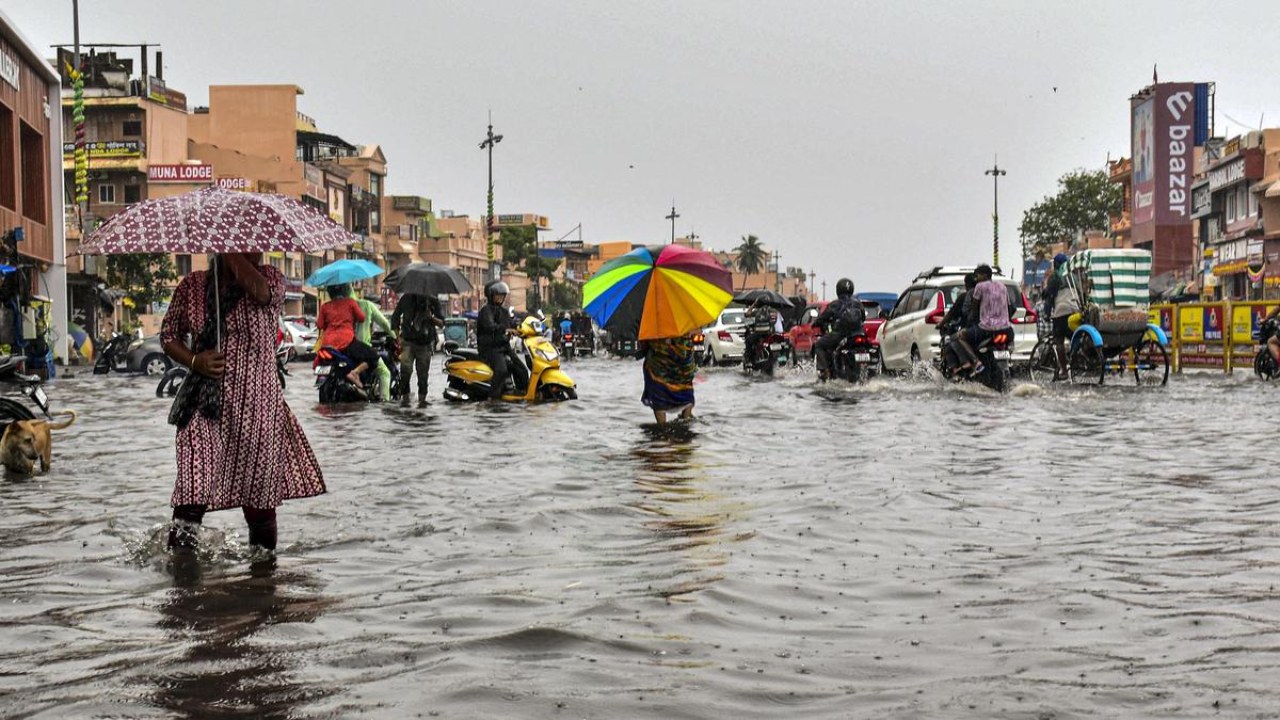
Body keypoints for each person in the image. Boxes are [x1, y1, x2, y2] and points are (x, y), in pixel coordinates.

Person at [160, 253, 325, 554]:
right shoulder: (192, 286)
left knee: (259, 504)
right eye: (246, 244)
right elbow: (169, 335)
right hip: (205, 404)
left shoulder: (271, 279)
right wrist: (195, 361)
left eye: (254, 245)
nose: (256, 251)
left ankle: (262, 579)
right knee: (191, 490)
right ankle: (181, 581)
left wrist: (231, 254)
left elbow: (260, 293)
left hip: (258, 407)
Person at [316, 284, 381, 392]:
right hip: (346, 341)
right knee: (373, 355)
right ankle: (355, 373)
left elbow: (319, 325)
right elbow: (361, 318)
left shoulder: (325, 306)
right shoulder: (350, 302)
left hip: (328, 344)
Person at [956, 264, 1013, 375]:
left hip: (987, 329)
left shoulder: (979, 287)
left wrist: (967, 326)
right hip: (1007, 330)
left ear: (985, 275)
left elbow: (973, 310)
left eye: (977, 275)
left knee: (961, 336)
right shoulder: (1003, 286)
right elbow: (1010, 307)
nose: (976, 279)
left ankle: (976, 362)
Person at [476, 281, 528, 401]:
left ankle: (523, 394)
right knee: (501, 370)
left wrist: (522, 329)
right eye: (498, 295)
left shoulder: (504, 311)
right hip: (490, 348)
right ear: (490, 295)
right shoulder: (485, 311)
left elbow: (512, 323)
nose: (501, 297)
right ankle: (493, 398)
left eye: (502, 295)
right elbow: (490, 325)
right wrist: (506, 329)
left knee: (522, 369)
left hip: (504, 347)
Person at [390, 293, 444, 407]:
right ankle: (405, 399)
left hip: (425, 344)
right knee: (405, 370)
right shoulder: (406, 298)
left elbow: (442, 323)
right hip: (408, 342)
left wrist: (431, 318)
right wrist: (398, 337)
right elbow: (395, 318)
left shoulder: (433, 300)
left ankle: (422, 401)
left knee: (423, 375)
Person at [811, 278, 865, 381]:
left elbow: (823, 317)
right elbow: (863, 318)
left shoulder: (836, 304)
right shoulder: (858, 303)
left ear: (838, 290)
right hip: (857, 334)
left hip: (840, 334)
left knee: (819, 345)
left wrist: (815, 323)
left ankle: (824, 371)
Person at [640, 334, 696, 423]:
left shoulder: (653, 329)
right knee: (686, 394)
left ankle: (662, 427)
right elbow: (687, 351)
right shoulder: (683, 328)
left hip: (659, 372)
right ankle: (686, 419)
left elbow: (643, 348)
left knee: (659, 398)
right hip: (681, 372)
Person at [1041, 253, 1080, 380]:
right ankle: (1077, 361)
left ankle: (1064, 370)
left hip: (1061, 312)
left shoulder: (1055, 277)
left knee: (1059, 341)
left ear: (1055, 264)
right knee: (1075, 338)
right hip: (1076, 311)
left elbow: (1049, 297)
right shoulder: (1074, 276)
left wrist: (1047, 314)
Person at [354, 295, 396, 402]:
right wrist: (395, 337)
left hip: (343, 347)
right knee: (384, 373)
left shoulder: (343, 305)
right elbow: (384, 323)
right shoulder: (367, 305)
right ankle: (384, 401)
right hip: (362, 347)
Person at [939, 273, 977, 371]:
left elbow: (951, 314)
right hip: (990, 329)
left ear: (966, 284)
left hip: (972, 330)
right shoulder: (987, 295)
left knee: (951, 341)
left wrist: (941, 324)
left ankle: (959, 367)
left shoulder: (965, 297)